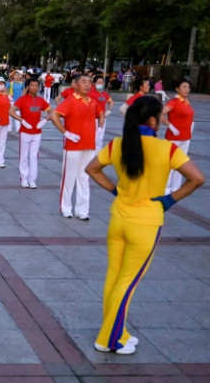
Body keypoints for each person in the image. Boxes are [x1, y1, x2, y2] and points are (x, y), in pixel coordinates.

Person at [85, 96, 204, 354]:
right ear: (152, 120)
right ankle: (109, 339)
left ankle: (119, 332)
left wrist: (115, 189)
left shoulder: (117, 144)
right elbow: (197, 178)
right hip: (146, 223)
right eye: (161, 117)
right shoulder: (167, 149)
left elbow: (92, 169)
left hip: (118, 219)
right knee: (127, 283)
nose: (163, 121)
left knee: (115, 278)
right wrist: (170, 199)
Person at [50, 74, 105, 219]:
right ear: (75, 84)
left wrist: (99, 128)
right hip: (73, 144)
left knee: (84, 177)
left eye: (89, 82)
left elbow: (101, 114)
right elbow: (54, 115)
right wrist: (65, 132)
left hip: (89, 144)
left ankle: (82, 210)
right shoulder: (70, 101)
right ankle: (65, 207)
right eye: (83, 82)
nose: (87, 85)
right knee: (69, 177)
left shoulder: (92, 101)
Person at [10, 78, 51, 188]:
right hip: (25, 132)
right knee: (24, 156)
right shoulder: (22, 100)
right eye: (32, 85)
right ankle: (24, 178)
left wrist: (44, 121)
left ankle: (32, 179)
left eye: (36, 85)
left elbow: (53, 112)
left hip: (37, 132)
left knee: (34, 156)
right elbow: (11, 111)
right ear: (27, 87)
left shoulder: (41, 100)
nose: (34, 87)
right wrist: (22, 120)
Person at [162, 80, 195, 193]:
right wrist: (170, 125)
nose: (187, 89)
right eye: (184, 87)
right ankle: (166, 187)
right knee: (170, 162)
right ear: (177, 89)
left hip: (186, 137)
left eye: (188, 87)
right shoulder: (174, 102)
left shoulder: (186, 102)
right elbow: (161, 113)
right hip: (173, 137)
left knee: (180, 163)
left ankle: (176, 187)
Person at [90, 75, 114, 150]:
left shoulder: (104, 93)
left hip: (102, 119)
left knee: (100, 138)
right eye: (98, 82)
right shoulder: (90, 93)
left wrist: (109, 110)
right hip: (92, 118)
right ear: (94, 83)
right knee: (92, 138)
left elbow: (111, 102)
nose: (100, 84)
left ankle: (97, 155)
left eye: (102, 82)